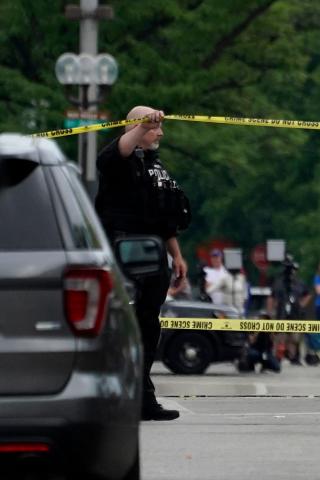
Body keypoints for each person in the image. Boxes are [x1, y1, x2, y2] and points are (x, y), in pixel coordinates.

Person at [95, 106, 189, 421]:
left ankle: (144, 399)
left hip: (153, 255)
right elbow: (117, 151)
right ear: (136, 127)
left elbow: (163, 217)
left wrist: (176, 254)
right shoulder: (117, 159)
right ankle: (119, 397)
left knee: (149, 328)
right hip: (124, 258)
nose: (159, 132)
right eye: (153, 128)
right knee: (123, 329)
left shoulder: (154, 164)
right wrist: (140, 125)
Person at [267, 259, 312, 365]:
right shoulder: (279, 282)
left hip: (296, 314)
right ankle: (279, 356)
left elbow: (308, 294)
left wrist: (302, 304)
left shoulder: (299, 283)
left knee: (295, 337)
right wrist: (270, 311)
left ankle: (294, 356)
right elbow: (272, 296)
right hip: (281, 313)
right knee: (280, 336)